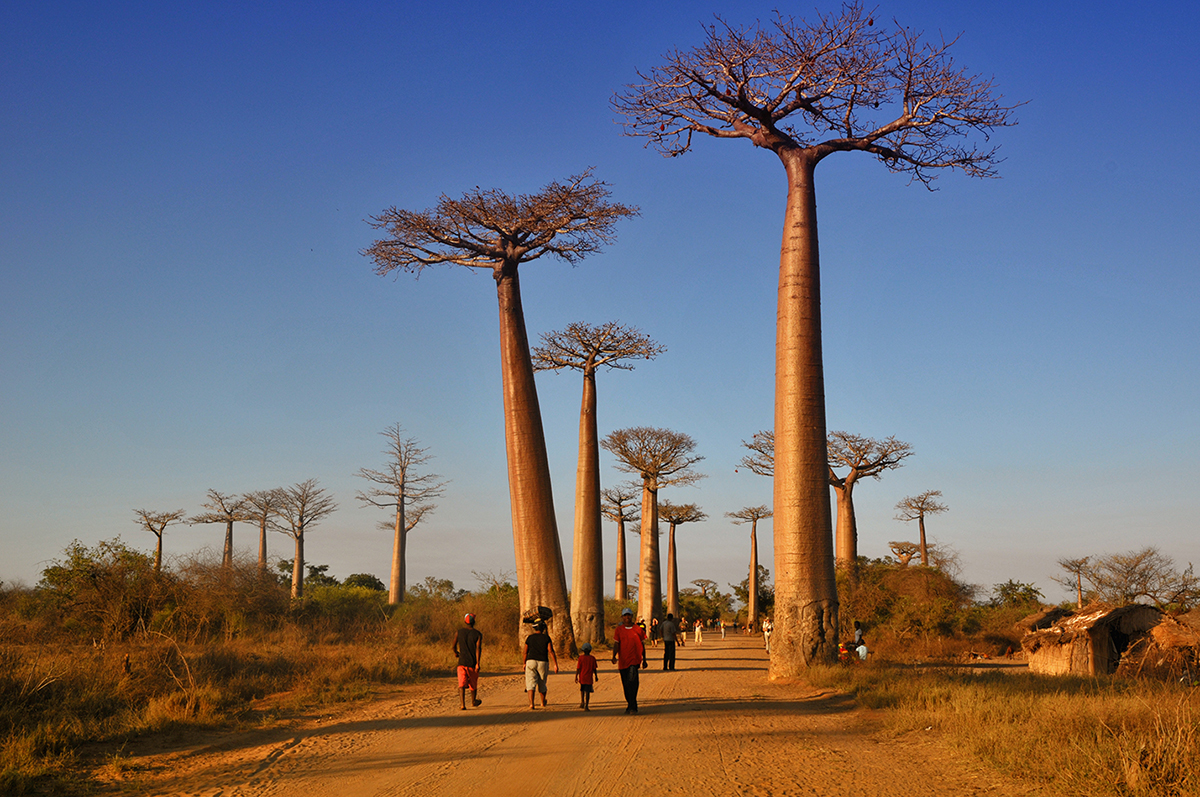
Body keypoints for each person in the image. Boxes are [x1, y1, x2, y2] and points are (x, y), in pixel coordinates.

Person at [611, 608, 647, 714]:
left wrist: (644, 659)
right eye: (625, 615)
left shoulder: (638, 629)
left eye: (629, 615)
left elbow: (642, 645)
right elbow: (616, 644)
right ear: (622, 617)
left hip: (634, 660)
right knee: (626, 684)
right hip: (623, 661)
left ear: (632, 616)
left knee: (633, 682)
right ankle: (630, 704)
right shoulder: (619, 630)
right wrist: (613, 656)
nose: (627, 617)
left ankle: (633, 706)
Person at [523, 620, 558, 709]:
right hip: (543, 662)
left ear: (535, 628)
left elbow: (525, 652)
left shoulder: (529, 638)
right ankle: (542, 702)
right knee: (542, 683)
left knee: (530, 684)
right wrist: (555, 664)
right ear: (543, 628)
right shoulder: (546, 638)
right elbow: (550, 650)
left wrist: (524, 663)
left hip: (530, 661)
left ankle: (532, 704)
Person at [453, 612, 483, 710]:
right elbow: (478, 649)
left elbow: (453, 646)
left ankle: (462, 704)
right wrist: (478, 663)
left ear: (465, 622)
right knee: (473, 683)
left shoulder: (459, 632)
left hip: (461, 663)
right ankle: (473, 701)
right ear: (474, 622)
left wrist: (456, 653)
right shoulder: (477, 634)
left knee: (461, 684)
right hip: (472, 663)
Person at [575, 642, 599, 710]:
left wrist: (576, 676)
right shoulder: (592, 658)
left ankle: (582, 702)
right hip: (589, 678)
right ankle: (587, 705)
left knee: (582, 690)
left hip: (582, 677)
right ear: (590, 650)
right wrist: (596, 676)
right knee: (587, 691)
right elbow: (594, 669)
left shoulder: (580, 658)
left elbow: (578, 668)